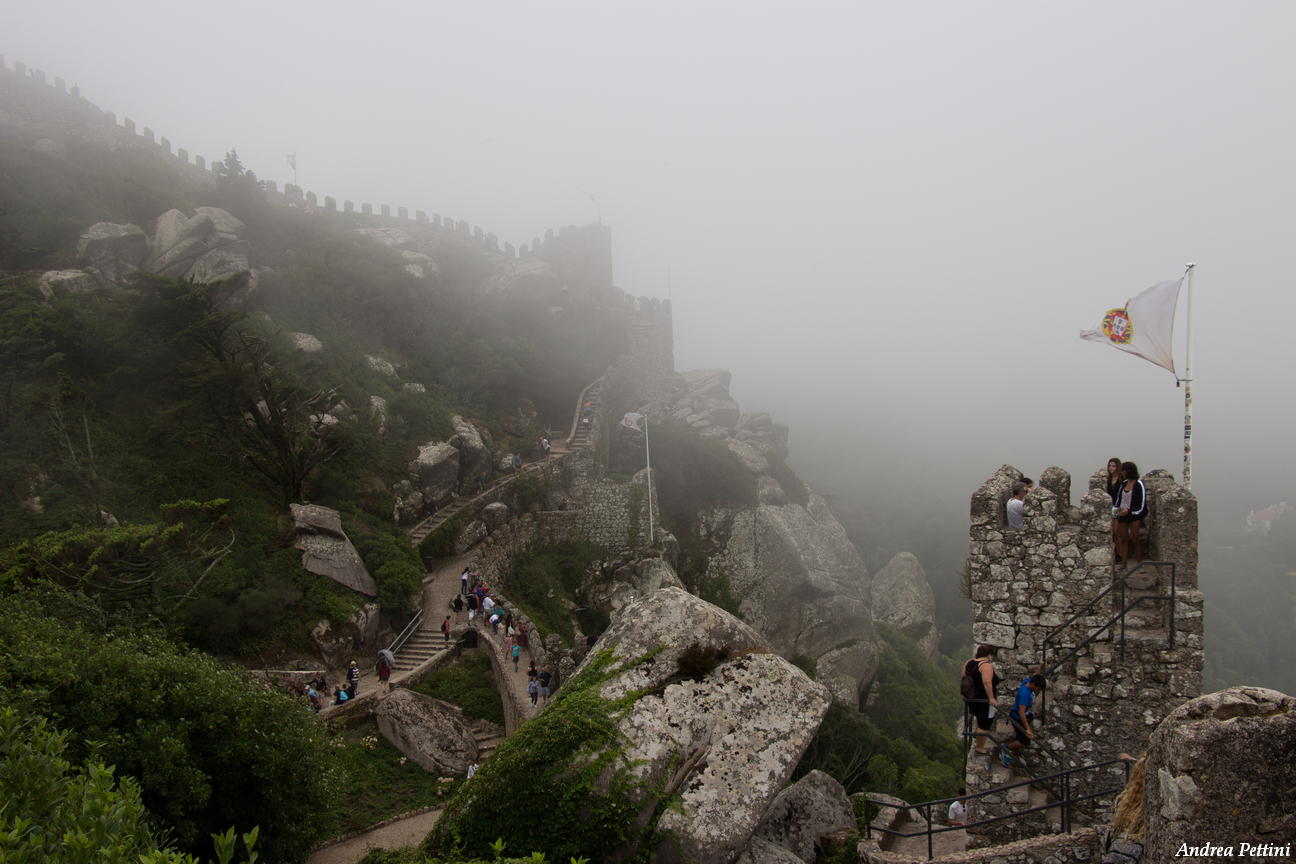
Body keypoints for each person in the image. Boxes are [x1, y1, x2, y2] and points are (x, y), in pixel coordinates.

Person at [1002, 672, 1047, 767]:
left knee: (1021, 737)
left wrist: (1041, 667)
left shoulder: (1028, 682)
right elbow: (1021, 712)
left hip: (1024, 714)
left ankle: (1012, 748)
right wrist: (1027, 729)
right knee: (1024, 741)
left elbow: (1036, 674)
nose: (1038, 691)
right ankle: (1006, 748)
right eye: (1038, 688)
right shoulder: (1024, 694)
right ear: (1033, 685)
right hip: (1017, 717)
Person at [963, 645, 1000, 754]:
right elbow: (987, 683)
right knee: (985, 724)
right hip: (984, 700)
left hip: (973, 699)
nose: (991, 658)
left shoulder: (969, 662)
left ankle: (977, 737)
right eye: (991, 655)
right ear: (989, 655)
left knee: (979, 718)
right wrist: (991, 698)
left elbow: (964, 678)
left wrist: (966, 694)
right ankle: (980, 748)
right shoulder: (985, 666)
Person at [1114, 461, 1148, 570]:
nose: (1121, 472)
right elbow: (1119, 499)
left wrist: (1130, 511)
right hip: (1123, 515)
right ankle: (1124, 565)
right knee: (1123, 539)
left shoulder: (1139, 484)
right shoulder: (1124, 483)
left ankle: (1139, 565)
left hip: (1134, 516)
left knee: (1135, 539)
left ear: (1128, 471)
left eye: (1123, 470)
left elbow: (1142, 503)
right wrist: (1117, 511)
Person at [1105, 458, 1124, 562]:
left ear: (1118, 467)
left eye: (1113, 466)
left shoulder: (1122, 480)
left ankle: (1120, 553)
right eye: (1109, 466)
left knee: (1117, 532)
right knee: (1112, 532)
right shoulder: (1108, 479)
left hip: (1118, 507)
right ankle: (1115, 553)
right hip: (1110, 508)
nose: (1111, 468)